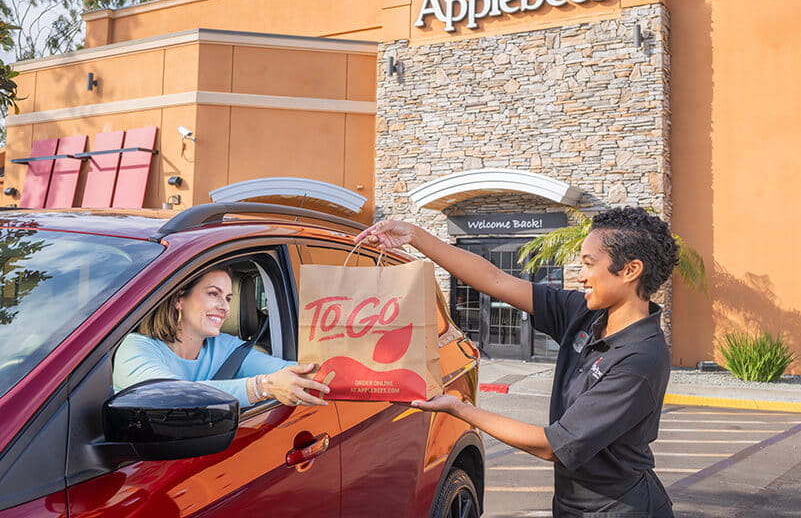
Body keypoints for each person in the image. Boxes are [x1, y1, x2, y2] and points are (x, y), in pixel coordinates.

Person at [356, 206, 677, 517]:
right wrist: (415, 235)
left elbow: (554, 445)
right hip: (573, 504)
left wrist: (460, 409)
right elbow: (493, 279)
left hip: (621, 509)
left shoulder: (640, 357)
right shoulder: (585, 313)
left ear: (630, 270)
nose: (581, 277)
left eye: (589, 264)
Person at [113, 267, 329, 408]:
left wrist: (343, 369)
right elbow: (171, 396)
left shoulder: (228, 348)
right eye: (213, 294)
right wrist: (262, 387)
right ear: (179, 299)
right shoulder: (136, 349)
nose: (225, 307)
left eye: (228, 298)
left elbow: (294, 371)